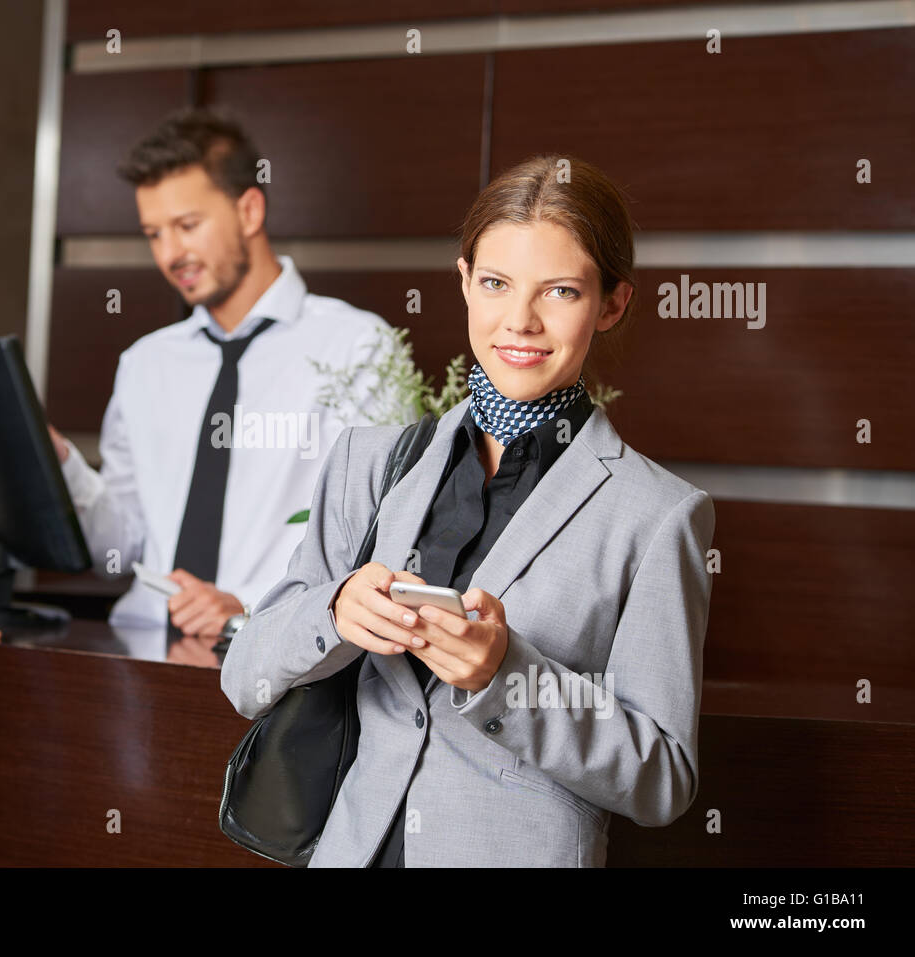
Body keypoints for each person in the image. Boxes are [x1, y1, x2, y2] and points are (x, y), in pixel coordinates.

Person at [221, 154, 717, 867]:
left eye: (560, 292)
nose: (520, 320)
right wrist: (333, 612)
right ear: (463, 282)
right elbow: (245, 676)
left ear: (611, 304)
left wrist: (504, 675)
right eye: (495, 283)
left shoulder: (659, 514)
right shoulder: (369, 462)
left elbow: (663, 779)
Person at [47, 107, 406, 644]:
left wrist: (245, 604)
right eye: (154, 234)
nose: (171, 254)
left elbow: (375, 534)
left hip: (275, 655)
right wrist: (61, 464)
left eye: (187, 226)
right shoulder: (144, 364)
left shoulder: (357, 346)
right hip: (140, 649)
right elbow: (118, 549)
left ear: (250, 209)